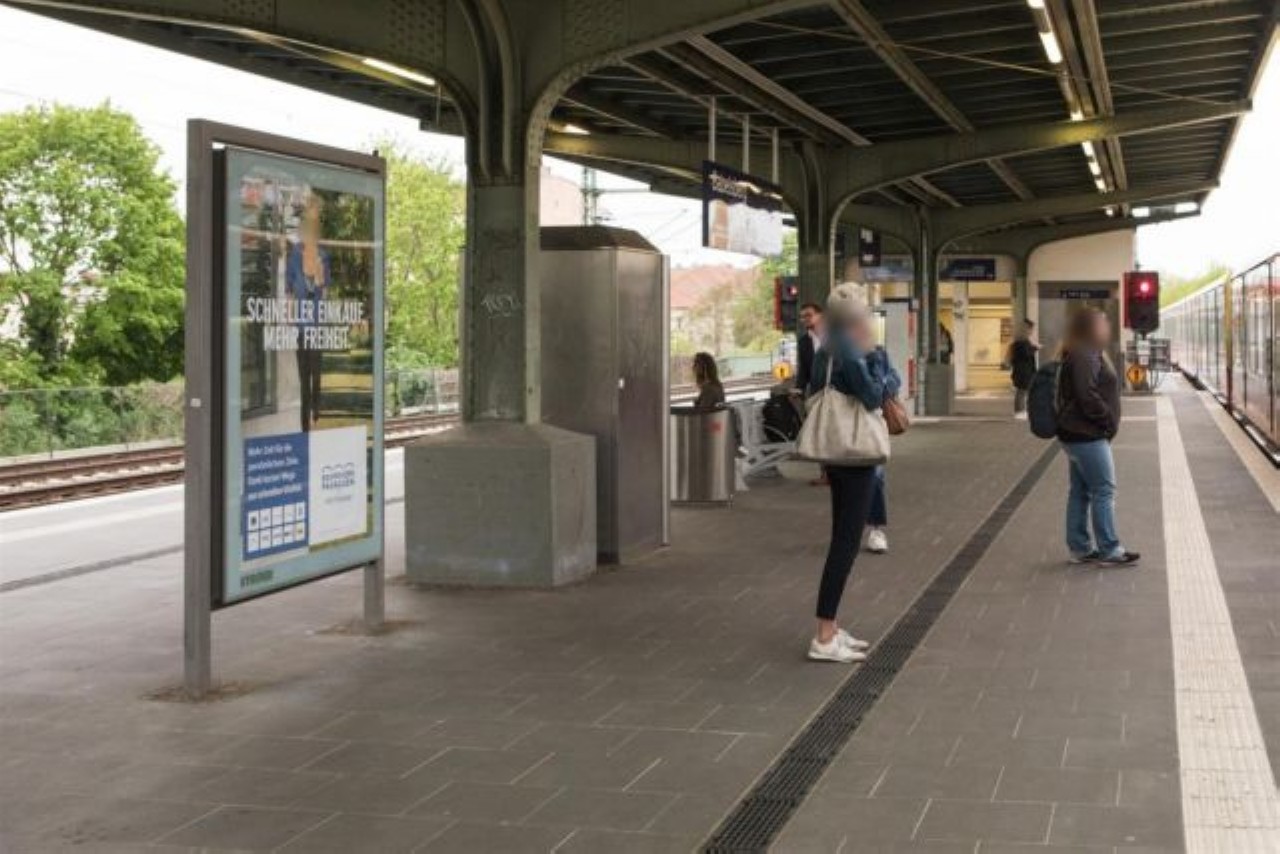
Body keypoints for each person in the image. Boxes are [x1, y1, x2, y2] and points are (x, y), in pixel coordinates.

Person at [806, 283, 887, 663]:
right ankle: (824, 636)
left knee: (842, 537)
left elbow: (812, 388)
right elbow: (873, 396)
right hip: (855, 458)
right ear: (855, 317)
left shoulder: (826, 348)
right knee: (845, 544)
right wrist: (876, 356)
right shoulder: (852, 350)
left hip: (835, 455)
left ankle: (832, 627)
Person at [1056, 308, 1140, 567]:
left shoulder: (1080, 352)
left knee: (1080, 491)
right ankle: (1110, 549)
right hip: (1088, 435)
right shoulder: (1085, 354)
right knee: (1103, 490)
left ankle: (1080, 548)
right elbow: (1087, 394)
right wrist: (1107, 420)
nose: (1107, 327)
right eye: (1102, 323)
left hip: (1077, 434)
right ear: (1090, 328)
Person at [286, 193, 329, 432]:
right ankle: (305, 424)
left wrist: (320, 275)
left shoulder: (324, 256)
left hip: (317, 326)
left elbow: (324, 292)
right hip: (301, 328)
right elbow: (290, 292)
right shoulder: (294, 255)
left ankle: (316, 414)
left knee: (317, 375)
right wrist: (291, 322)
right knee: (304, 378)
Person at [863, 346, 901, 554]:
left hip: (872, 426)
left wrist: (883, 382)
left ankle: (875, 529)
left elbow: (894, 381)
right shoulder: (834, 354)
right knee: (843, 484)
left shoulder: (877, 352)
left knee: (875, 476)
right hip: (843, 427)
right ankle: (847, 529)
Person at [1008, 319, 1040, 416]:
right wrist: (1035, 348)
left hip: (1022, 369)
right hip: (1023, 370)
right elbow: (1026, 353)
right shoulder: (1022, 340)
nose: (1032, 331)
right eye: (1031, 329)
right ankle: (1020, 411)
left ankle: (1020, 410)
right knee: (1022, 391)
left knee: (1022, 391)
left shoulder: (1020, 339)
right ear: (1027, 328)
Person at [794, 302, 825, 394]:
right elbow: (803, 371)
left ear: (820, 315)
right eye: (802, 317)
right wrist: (798, 391)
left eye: (808, 315)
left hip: (839, 392)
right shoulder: (803, 342)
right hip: (817, 393)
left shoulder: (834, 336)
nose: (804, 319)